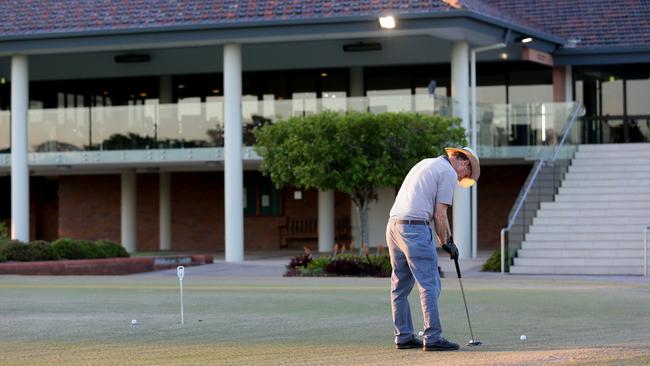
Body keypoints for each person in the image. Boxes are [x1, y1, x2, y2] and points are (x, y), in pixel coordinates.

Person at [386, 146, 480, 351]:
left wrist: (447, 239)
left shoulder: (426, 163)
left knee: (400, 286)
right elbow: (439, 215)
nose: (461, 179)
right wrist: (445, 242)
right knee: (430, 285)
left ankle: (403, 336)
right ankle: (433, 337)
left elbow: (439, 215)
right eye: (466, 175)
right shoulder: (448, 172)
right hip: (415, 229)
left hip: (394, 226)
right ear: (464, 163)